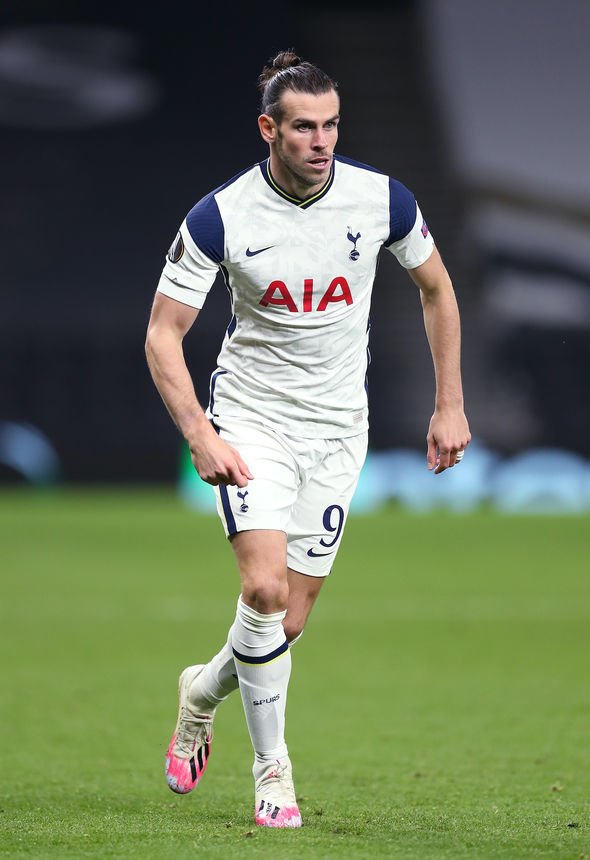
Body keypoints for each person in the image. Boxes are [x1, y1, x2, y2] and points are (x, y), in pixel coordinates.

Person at [145, 50, 471, 829]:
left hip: (337, 428)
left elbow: (437, 288)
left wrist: (448, 403)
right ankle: (274, 774)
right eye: (302, 127)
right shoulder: (220, 217)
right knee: (261, 592)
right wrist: (200, 432)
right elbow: (163, 335)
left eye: (330, 125)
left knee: (284, 624)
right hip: (253, 420)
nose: (320, 141)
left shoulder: (380, 200)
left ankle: (200, 693)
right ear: (269, 129)